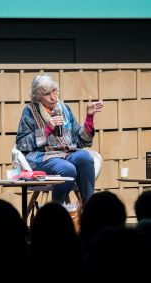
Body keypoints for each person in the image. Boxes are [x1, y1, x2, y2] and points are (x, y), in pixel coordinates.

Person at [16, 73, 103, 203]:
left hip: (66, 153)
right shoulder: (30, 111)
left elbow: (81, 140)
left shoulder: (65, 109)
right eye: (46, 94)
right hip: (41, 157)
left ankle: (89, 208)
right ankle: (57, 207)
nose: (53, 97)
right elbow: (21, 144)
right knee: (67, 168)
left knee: (84, 157)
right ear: (37, 97)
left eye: (54, 91)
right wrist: (46, 130)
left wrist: (89, 118)